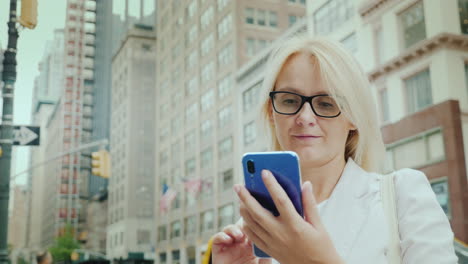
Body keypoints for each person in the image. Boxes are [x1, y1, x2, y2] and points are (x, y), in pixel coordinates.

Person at [211, 35, 458, 263]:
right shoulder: (254, 225)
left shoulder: (404, 195)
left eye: (326, 103)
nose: (305, 117)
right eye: (289, 100)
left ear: (353, 117)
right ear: (271, 112)